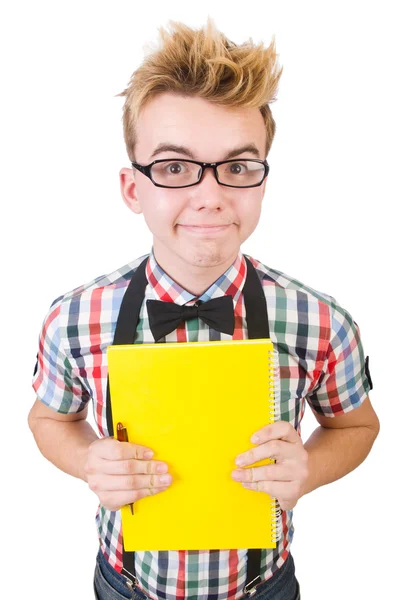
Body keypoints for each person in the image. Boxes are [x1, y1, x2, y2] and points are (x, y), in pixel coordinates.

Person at [28, 17, 379, 600]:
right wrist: (89, 460)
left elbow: (358, 426)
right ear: (132, 188)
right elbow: (48, 420)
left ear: (263, 182)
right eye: (174, 167)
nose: (210, 196)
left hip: (264, 586)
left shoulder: (324, 322)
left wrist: (310, 471)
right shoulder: (73, 317)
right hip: (124, 584)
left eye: (238, 167)